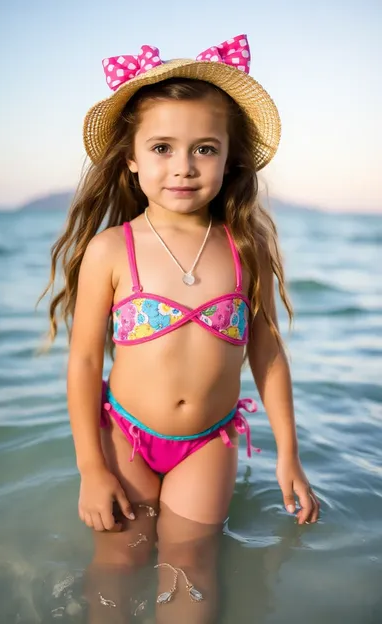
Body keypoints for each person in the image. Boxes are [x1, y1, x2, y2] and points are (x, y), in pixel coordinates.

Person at [40, 33, 320, 621]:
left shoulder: (247, 246)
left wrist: (288, 454)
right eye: (163, 147)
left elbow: (266, 353)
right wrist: (92, 468)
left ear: (230, 158)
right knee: (119, 563)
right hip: (126, 436)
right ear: (132, 159)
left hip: (208, 442)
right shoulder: (113, 250)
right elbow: (86, 362)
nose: (184, 167)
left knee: (190, 570)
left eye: (205, 149)